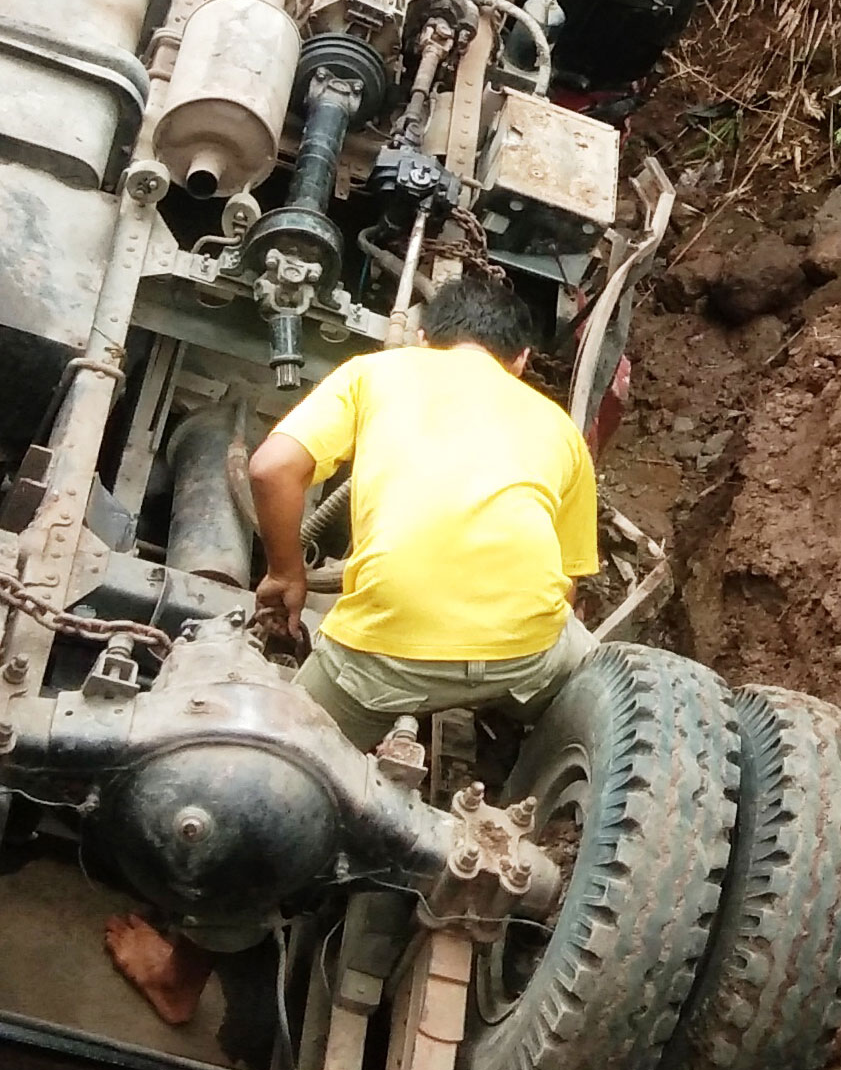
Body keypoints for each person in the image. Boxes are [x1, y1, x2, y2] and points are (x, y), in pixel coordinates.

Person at [247, 270, 599, 751]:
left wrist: (287, 573)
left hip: (381, 654)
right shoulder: (562, 429)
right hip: (523, 656)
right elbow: (569, 580)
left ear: (420, 339)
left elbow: (271, 468)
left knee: (287, 761)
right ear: (521, 361)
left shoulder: (374, 372)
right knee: (598, 674)